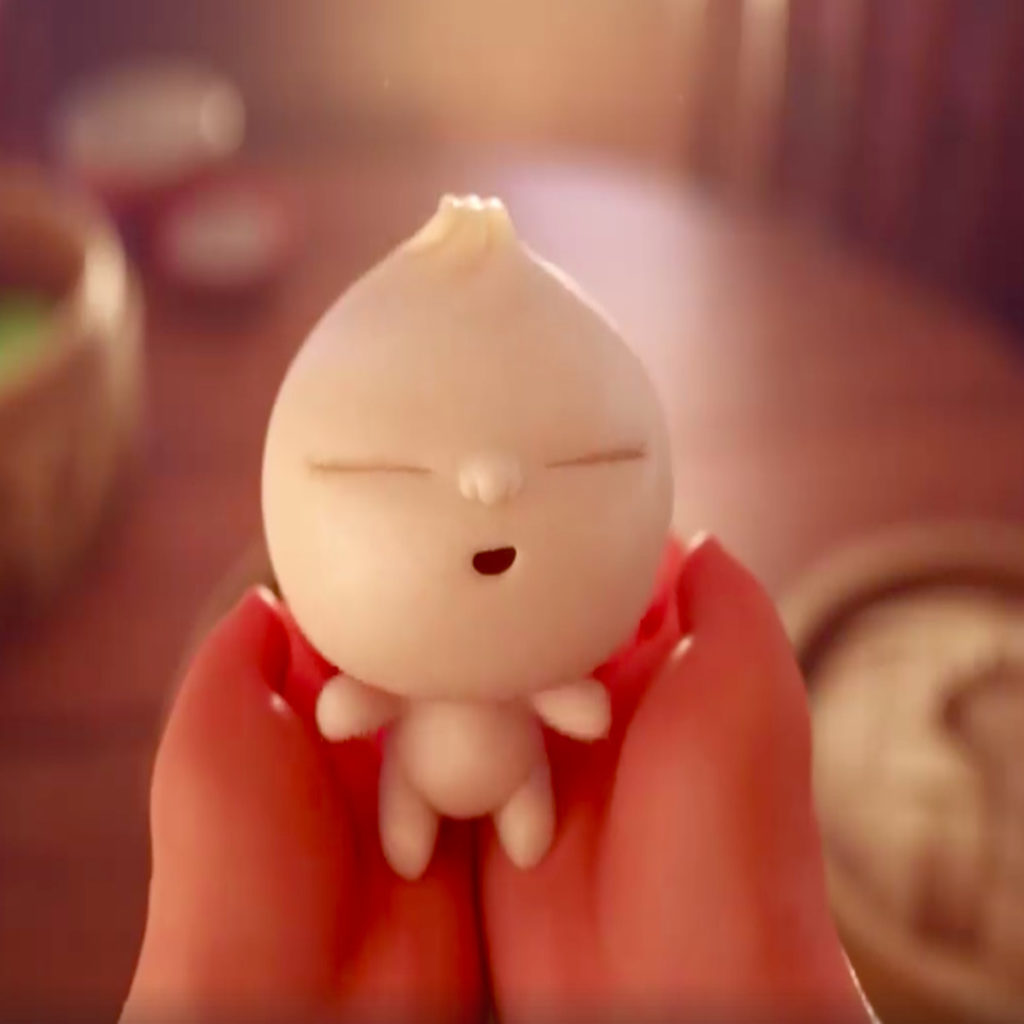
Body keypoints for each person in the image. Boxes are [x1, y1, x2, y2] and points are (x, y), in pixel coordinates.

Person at [120, 535, 874, 1023]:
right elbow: (363, 702)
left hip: (528, 786)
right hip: (409, 784)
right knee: (409, 824)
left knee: (527, 816)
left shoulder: (532, 677)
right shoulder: (400, 681)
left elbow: (571, 704)